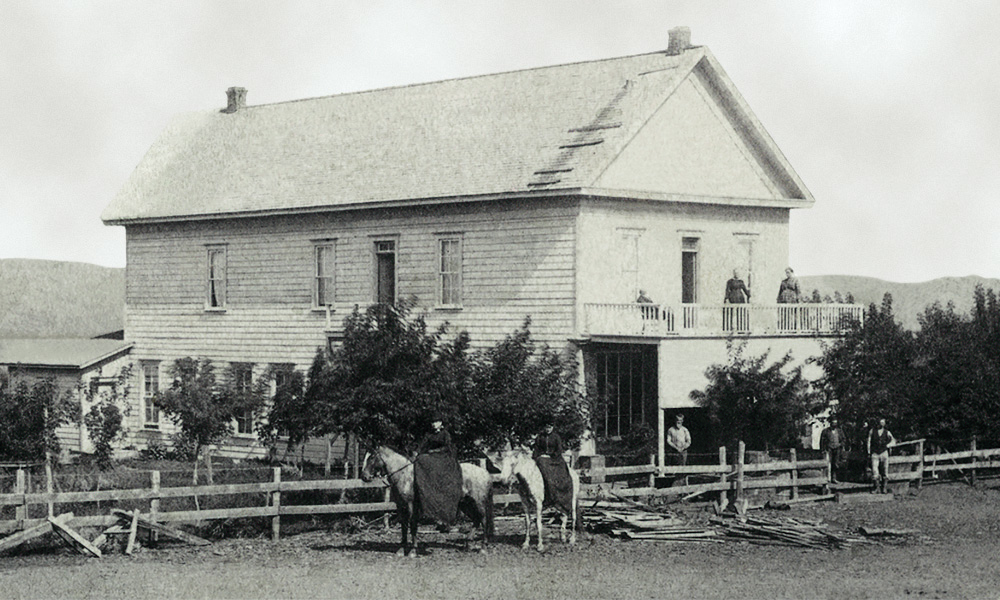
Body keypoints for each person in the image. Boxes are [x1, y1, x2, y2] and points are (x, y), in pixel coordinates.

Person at [413, 413, 463, 528]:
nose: (434, 424)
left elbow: (448, 447)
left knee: (427, 461)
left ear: (441, 423)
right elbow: (422, 445)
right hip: (432, 458)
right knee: (421, 459)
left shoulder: (445, 434)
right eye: (433, 422)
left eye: (436, 422)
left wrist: (435, 451)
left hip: (444, 457)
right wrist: (417, 452)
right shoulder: (429, 434)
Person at [532, 423, 573, 514]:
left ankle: (559, 493)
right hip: (542, 458)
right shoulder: (540, 437)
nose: (548, 429)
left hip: (555, 459)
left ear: (552, 428)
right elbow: (536, 448)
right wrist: (538, 455)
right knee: (539, 464)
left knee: (560, 473)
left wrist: (551, 455)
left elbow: (559, 450)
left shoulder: (556, 437)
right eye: (546, 427)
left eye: (550, 427)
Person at [867, 418, 896, 494]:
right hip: (875, 453)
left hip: (884, 453)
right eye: (880, 422)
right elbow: (869, 441)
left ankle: (884, 488)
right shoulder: (872, 431)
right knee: (875, 471)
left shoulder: (887, 432)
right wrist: (869, 452)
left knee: (885, 470)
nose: (881, 424)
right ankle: (876, 488)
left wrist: (887, 445)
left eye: (883, 422)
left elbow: (893, 441)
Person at [819, 418, 845, 483]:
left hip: (837, 449)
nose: (834, 425)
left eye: (835, 423)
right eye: (833, 423)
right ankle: (827, 478)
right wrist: (822, 449)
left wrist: (840, 444)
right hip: (828, 449)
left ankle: (834, 478)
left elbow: (843, 439)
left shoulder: (839, 431)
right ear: (830, 423)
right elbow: (822, 441)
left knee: (835, 464)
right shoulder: (825, 431)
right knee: (828, 463)